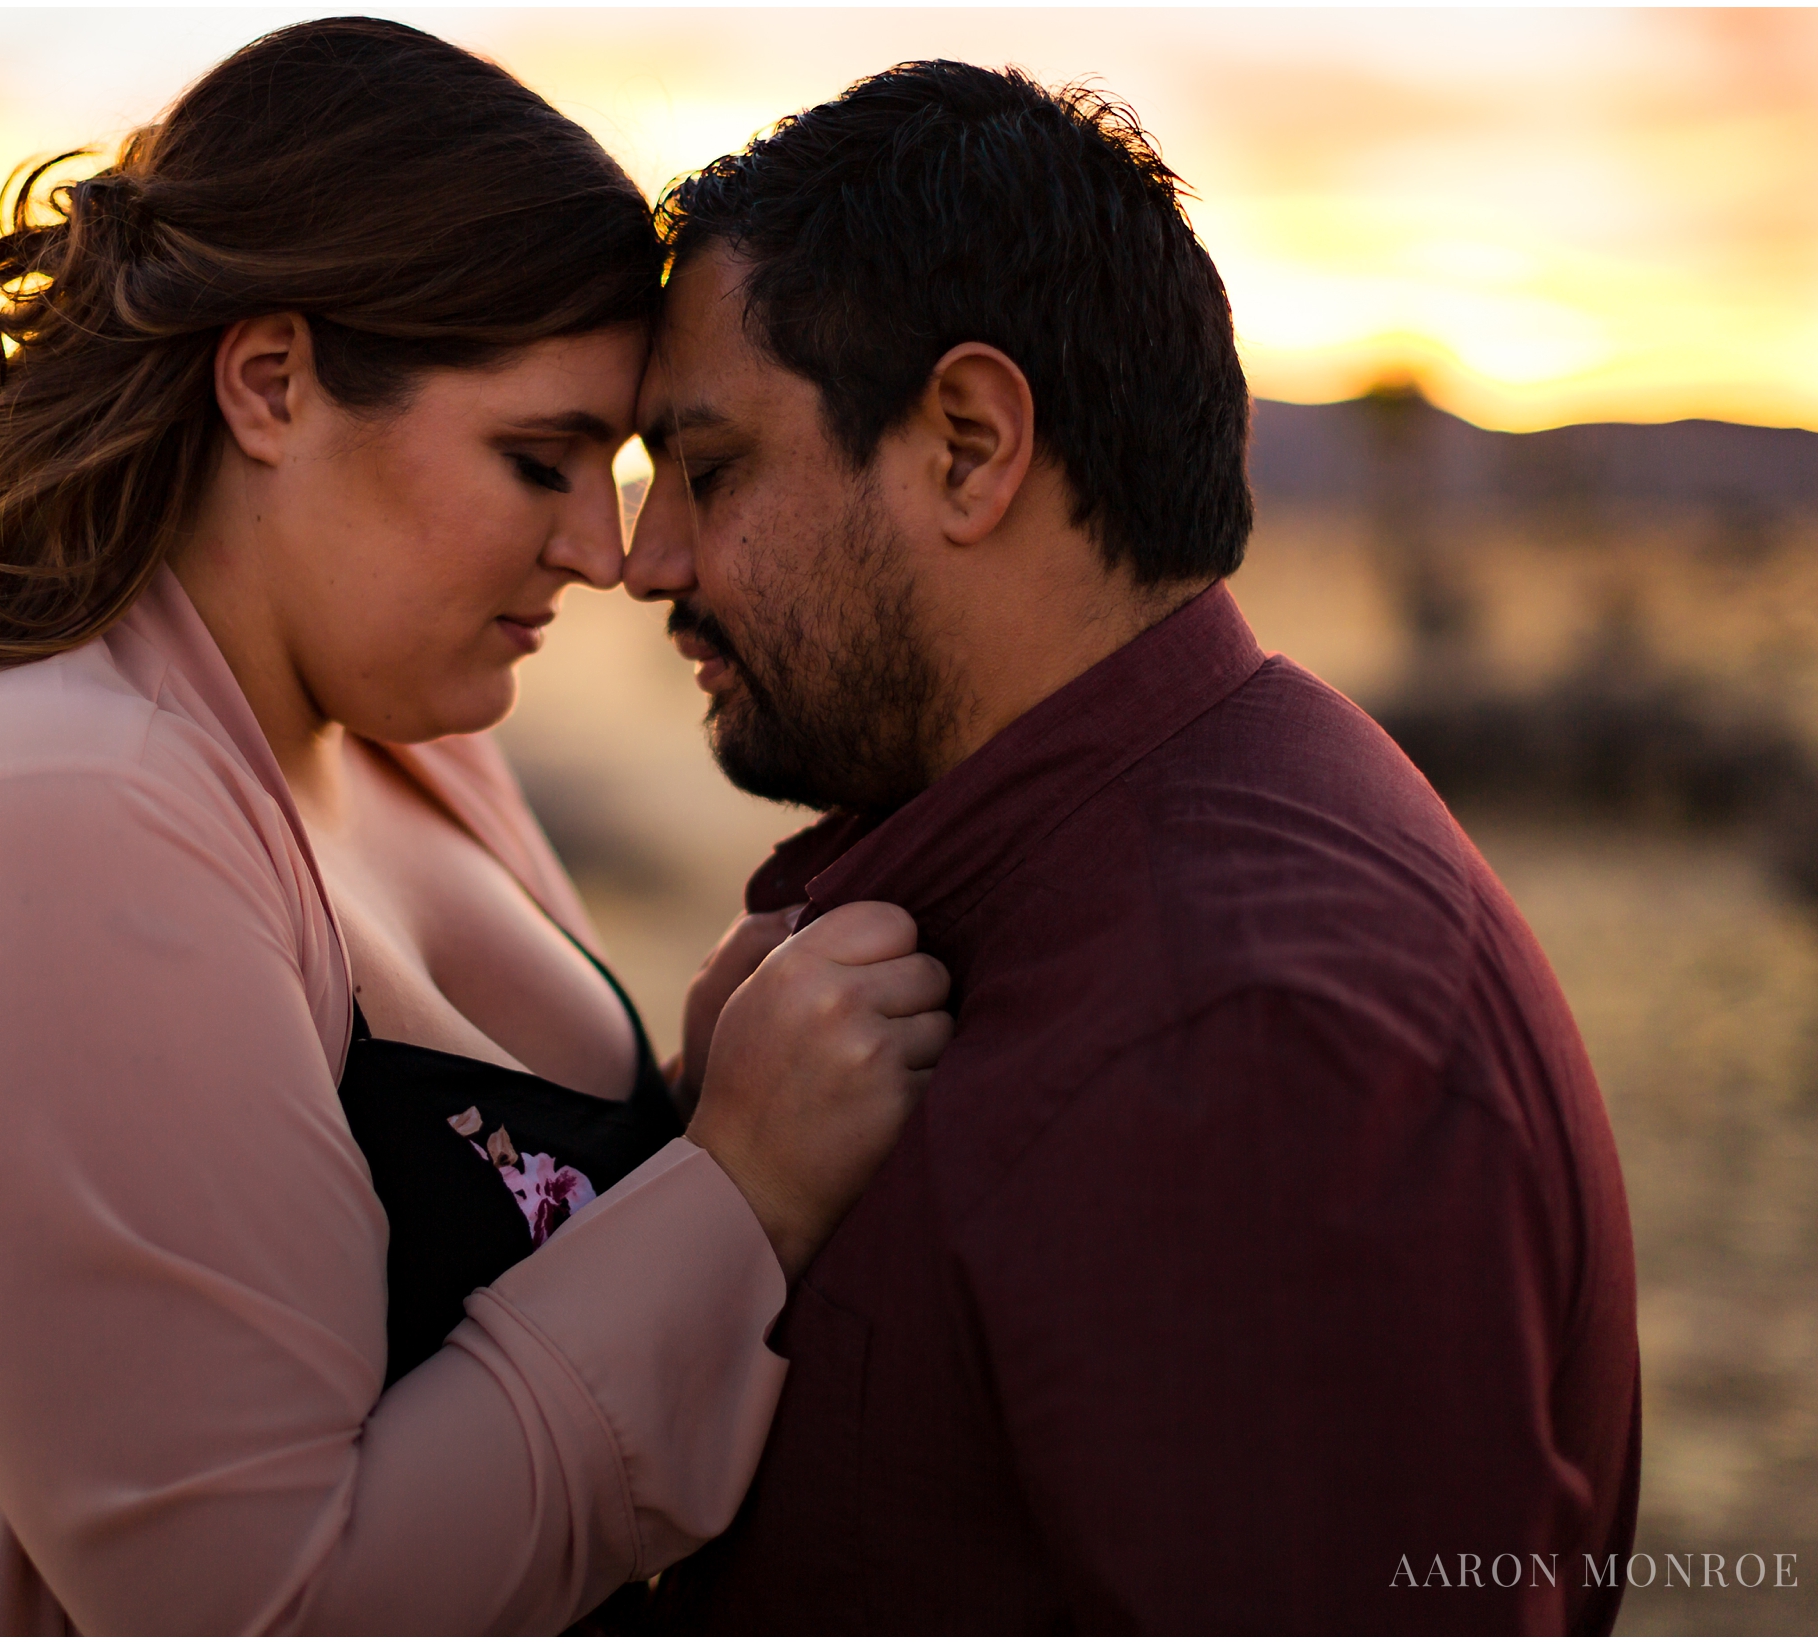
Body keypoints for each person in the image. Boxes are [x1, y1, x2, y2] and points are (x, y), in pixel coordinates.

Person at [0, 19, 952, 1634]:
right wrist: (741, 1189)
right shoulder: (47, 822)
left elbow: (490, 1268)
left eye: (607, 467)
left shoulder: (403, 741)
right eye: (536, 459)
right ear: (270, 384)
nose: (605, 554)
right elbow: (265, 1603)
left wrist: (705, 1097)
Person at [625, 61, 1641, 1633]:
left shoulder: (1238, 1047)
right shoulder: (1095, 879)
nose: (645, 560)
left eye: (709, 468)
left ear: (968, 445)